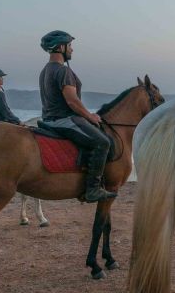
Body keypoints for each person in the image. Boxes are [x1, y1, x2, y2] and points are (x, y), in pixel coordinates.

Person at [37, 30, 116, 203]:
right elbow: (72, 101)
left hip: (49, 120)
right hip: (64, 120)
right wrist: (90, 116)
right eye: (70, 46)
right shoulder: (63, 71)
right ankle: (93, 189)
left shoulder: (45, 70)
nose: (72, 50)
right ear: (61, 47)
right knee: (103, 142)